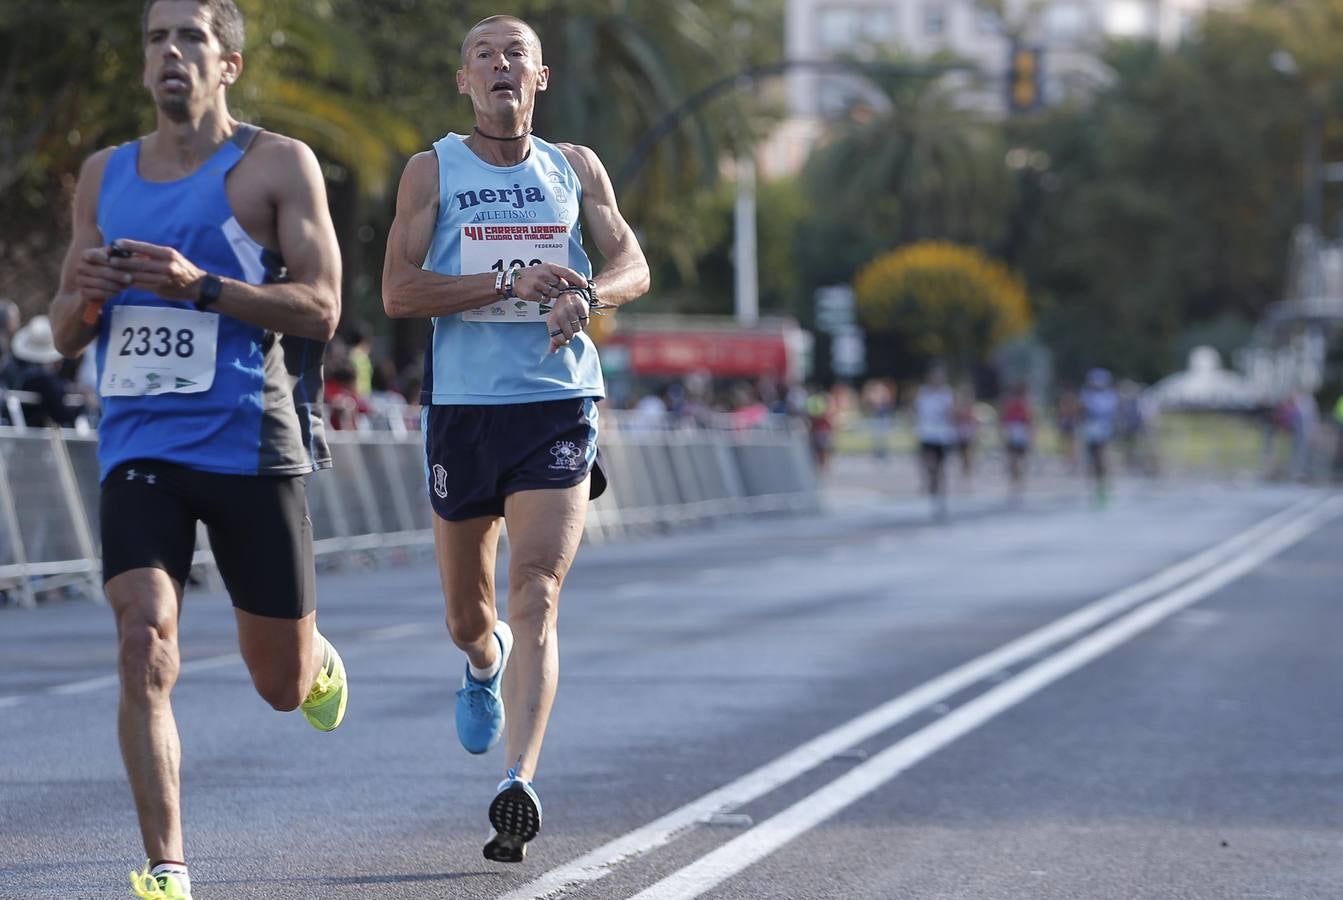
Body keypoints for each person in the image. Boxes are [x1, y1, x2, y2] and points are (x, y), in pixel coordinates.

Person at [45, 2, 347, 896]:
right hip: (140, 448)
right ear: (143, 64)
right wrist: (87, 298)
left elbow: (323, 307)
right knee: (144, 642)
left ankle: (315, 658)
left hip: (248, 444)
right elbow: (64, 330)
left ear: (229, 64)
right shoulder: (104, 175)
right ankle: (168, 868)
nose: (170, 52)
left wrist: (201, 286)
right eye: (155, 39)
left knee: (281, 686)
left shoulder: (276, 165)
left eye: (191, 39)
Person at [381, 14, 650, 863]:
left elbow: (631, 262)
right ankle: (479, 662)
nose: (501, 67)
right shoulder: (432, 169)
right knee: (471, 614)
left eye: (516, 57)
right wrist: (504, 280)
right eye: (484, 56)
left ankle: (517, 784)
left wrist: (589, 299)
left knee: (536, 588)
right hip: (464, 407)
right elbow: (397, 291)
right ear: (464, 80)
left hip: (556, 402)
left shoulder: (575, 167)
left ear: (540, 78)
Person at [1, 315, 86, 427]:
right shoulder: (43, 380)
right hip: (29, 439)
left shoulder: (11, 368)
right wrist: (84, 405)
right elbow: (61, 414)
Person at [914, 364, 956, 518]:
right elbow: (917, 411)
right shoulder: (923, 393)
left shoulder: (946, 393)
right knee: (929, 464)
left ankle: (941, 499)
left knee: (941, 468)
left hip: (942, 435)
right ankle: (931, 485)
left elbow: (951, 412)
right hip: (927, 434)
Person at [1079, 368, 1119, 505]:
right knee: (1091, 460)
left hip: (1103, 430)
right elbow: (1083, 412)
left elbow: (1110, 414)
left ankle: (1104, 485)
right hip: (1091, 430)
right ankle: (1094, 486)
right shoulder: (1086, 395)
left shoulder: (1109, 396)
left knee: (1103, 458)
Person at [999, 382, 1033, 501]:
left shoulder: (1024, 403)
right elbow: (1005, 418)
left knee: (1019, 459)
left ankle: (1018, 480)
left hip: (1020, 433)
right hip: (1013, 432)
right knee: (1013, 459)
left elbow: (1028, 419)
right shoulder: (1011, 403)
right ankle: (1015, 480)